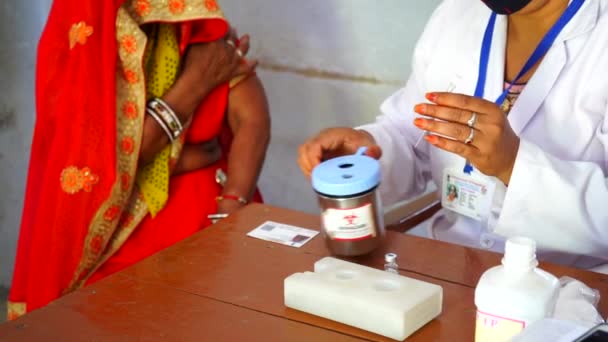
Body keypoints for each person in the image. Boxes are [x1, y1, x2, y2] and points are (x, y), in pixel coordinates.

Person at [8, 0, 270, 319]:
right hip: (119, 239)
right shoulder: (86, 32)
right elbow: (97, 168)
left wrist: (231, 208)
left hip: (211, 224)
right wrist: (191, 90)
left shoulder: (197, 29)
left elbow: (251, 118)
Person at [299, 0, 608, 270]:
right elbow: (413, 134)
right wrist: (365, 154)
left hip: (573, 293)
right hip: (451, 270)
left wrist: (513, 166)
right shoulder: (457, 15)